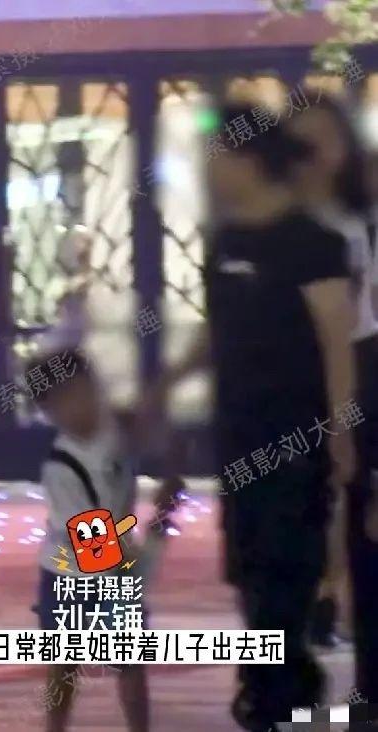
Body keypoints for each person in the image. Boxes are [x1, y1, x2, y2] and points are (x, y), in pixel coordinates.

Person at [143, 103, 356, 731]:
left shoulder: (312, 242)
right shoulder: (226, 242)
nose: (208, 171)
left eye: (215, 158)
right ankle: (282, 685)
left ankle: (274, 696)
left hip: (296, 438)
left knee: (287, 568)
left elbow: (335, 341)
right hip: (239, 437)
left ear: (248, 160)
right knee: (248, 567)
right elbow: (217, 329)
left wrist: (342, 430)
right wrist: (169, 383)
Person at [289, 94, 378, 711]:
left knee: (363, 543)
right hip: (292, 408)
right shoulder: (275, 227)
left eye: (327, 138)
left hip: (360, 397)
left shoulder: (358, 227)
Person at [28, 347, 155, 732]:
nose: (83, 404)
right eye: (68, 398)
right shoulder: (62, 469)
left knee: (130, 663)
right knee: (64, 664)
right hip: (70, 575)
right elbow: (98, 553)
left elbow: (151, 428)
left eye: (87, 390)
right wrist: (153, 539)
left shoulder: (114, 427)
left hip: (115, 562)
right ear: (48, 410)